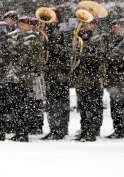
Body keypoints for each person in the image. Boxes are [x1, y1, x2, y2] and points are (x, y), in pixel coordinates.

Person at [70, 16, 106, 142]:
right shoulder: (79, 37)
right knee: (83, 106)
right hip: (80, 78)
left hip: (92, 78)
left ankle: (91, 131)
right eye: (84, 23)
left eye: (89, 23)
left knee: (92, 106)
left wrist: (84, 57)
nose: (85, 25)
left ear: (94, 25)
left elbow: (100, 57)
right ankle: (84, 129)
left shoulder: (98, 38)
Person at [42, 8, 72, 140]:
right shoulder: (45, 30)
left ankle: (61, 129)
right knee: (51, 103)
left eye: (52, 17)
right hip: (49, 72)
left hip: (60, 72)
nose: (49, 20)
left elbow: (67, 50)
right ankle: (53, 128)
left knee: (61, 102)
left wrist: (52, 46)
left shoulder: (63, 31)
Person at [105, 19, 124, 139]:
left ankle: (121, 130)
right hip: (112, 77)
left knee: (121, 105)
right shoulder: (109, 39)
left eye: (116, 26)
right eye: (113, 26)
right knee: (114, 105)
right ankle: (116, 128)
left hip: (121, 77)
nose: (114, 29)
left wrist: (109, 56)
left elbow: (116, 57)